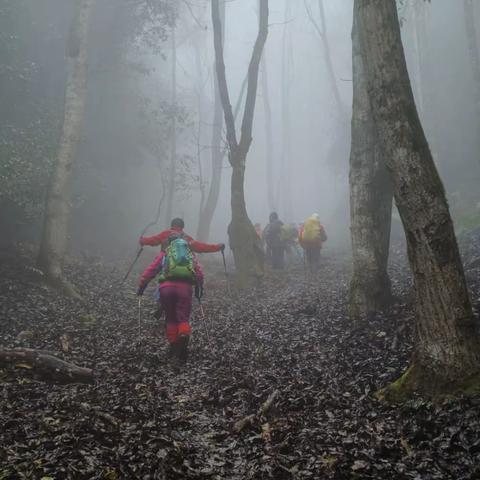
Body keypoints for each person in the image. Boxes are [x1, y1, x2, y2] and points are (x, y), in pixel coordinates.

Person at [137, 234, 204, 364]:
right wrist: (199, 288)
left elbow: (151, 270)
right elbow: (199, 273)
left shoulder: (165, 253)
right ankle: (183, 336)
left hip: (166, 289)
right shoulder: (190, 254)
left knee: (171, 317)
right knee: (183, 317)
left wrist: (142, 286)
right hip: (184, 289)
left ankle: (173, 346)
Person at [140, 217, 224, 254]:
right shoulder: (186, 238)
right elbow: (201, 247)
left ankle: (141, 288)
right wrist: (217, 247)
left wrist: (143, 240)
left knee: (150, 273)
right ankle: (199, 289)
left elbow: (153, 240)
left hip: (165, 264)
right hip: (184, 266)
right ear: (182, 227)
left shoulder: (166, 234)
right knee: (198, 275)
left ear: (172, 225)